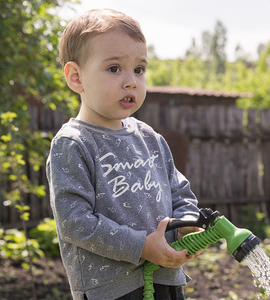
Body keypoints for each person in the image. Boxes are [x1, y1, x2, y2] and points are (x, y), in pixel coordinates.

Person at [46, 8, 201, 300]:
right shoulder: (73, 143)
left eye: (139, 69)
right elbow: (74, 222)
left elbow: (181, 195)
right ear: (76, 77)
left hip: (166, 275)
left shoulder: (149, 138)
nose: (131, 81)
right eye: (114, 68)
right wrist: (142, 246)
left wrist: (187, 225)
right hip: (112, 289)